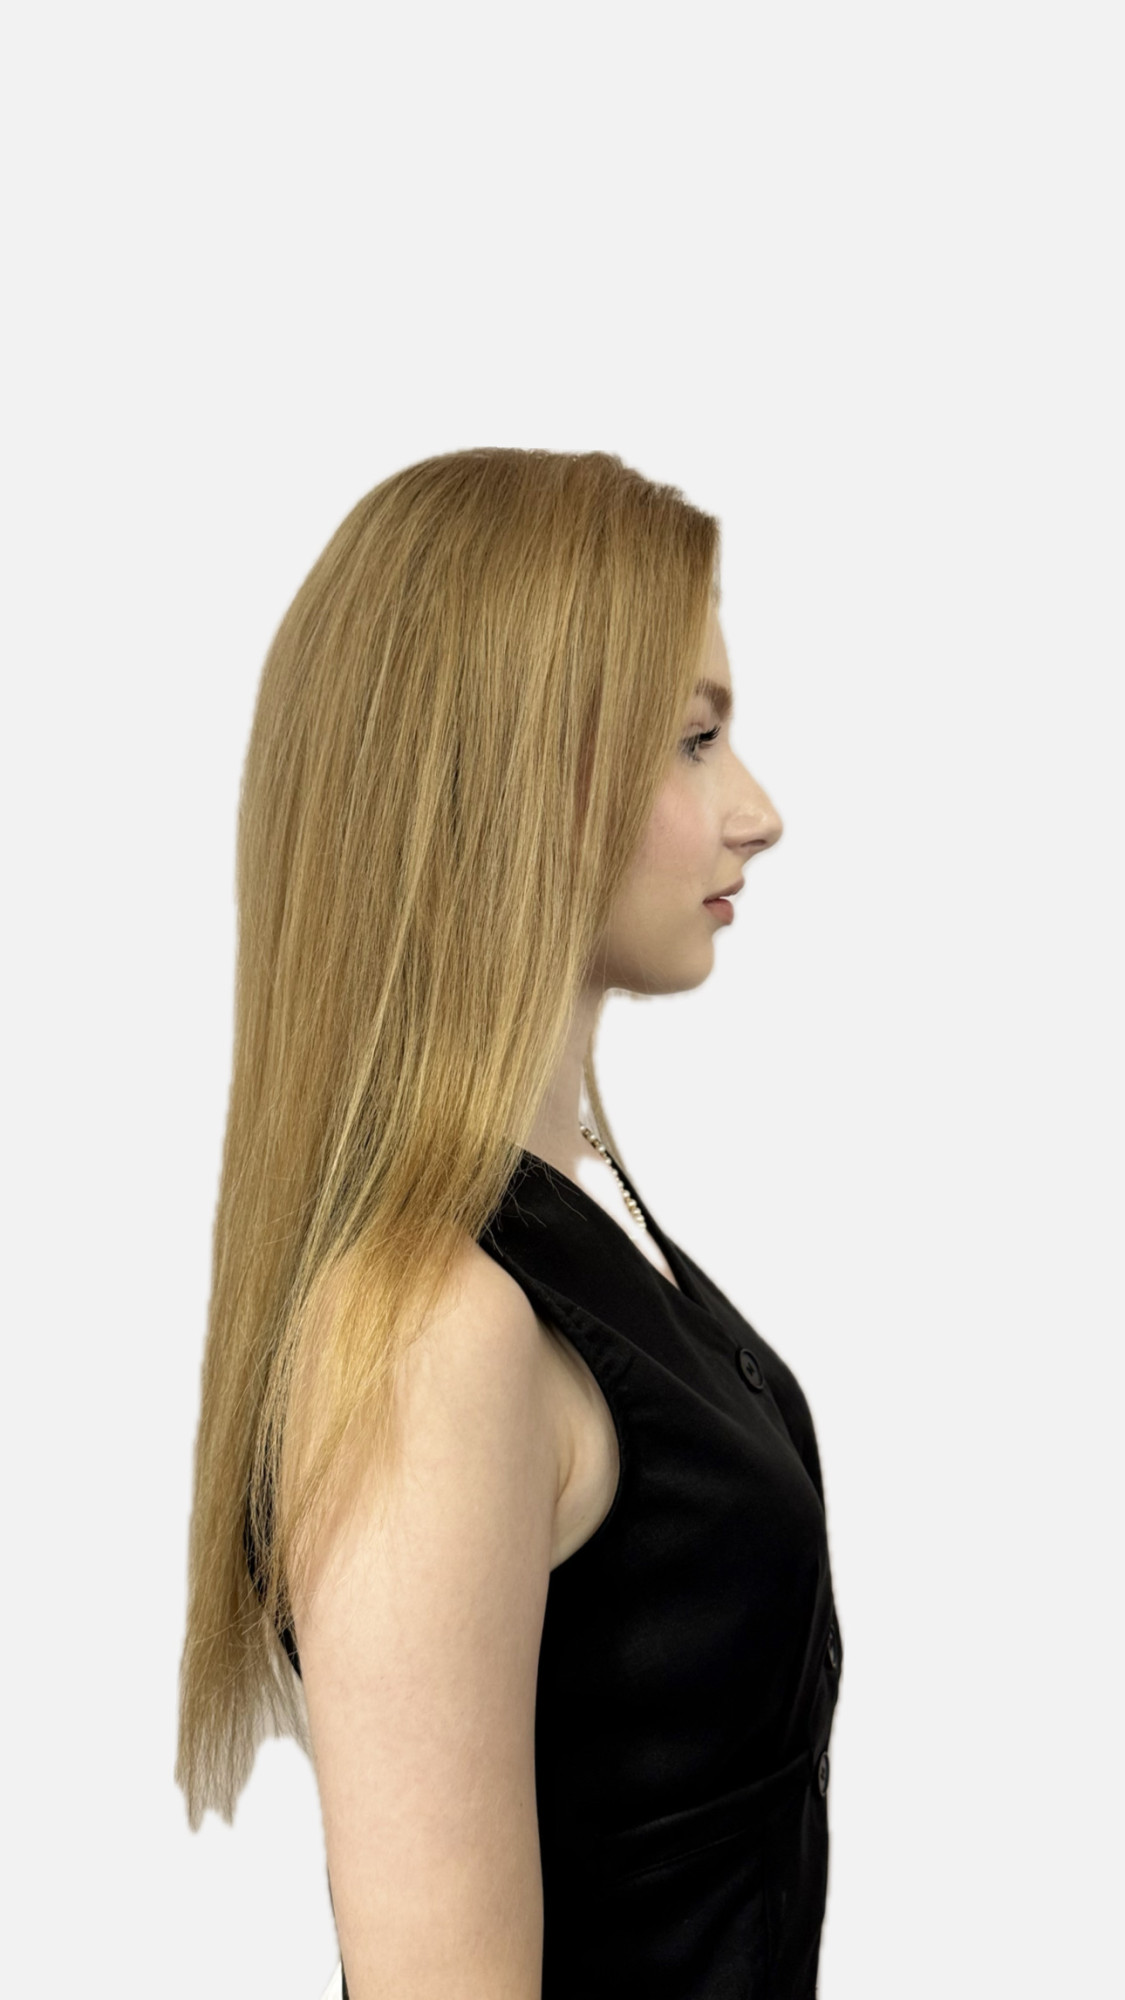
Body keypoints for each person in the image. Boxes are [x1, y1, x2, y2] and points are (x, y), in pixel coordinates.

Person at [175, 446, 843, 1998]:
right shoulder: (435, 1330)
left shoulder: (581, 1250)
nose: (757, 813)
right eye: (692, 740)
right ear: (511, 774)